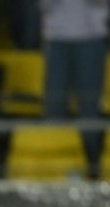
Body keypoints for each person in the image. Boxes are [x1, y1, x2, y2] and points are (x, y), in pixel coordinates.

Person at [39, 0, 109, 173]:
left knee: (89, 108)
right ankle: (53, 168)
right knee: (54, 106)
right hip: (56, 37)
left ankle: (92, 166)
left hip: (91, 37)